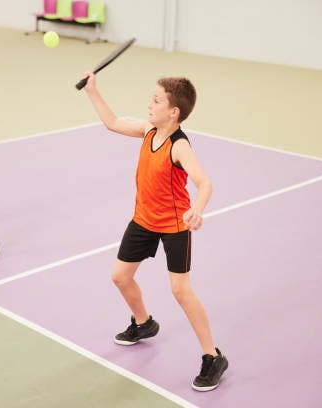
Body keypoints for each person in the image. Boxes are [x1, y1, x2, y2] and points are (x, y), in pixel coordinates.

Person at [81, 73, 228, 391]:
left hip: (175, 225)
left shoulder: (179, 146)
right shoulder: (148, 130)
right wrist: (93, 91)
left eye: (157, 100)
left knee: (180, 290)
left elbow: (205, 183)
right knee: (120, 276)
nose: (149, 104)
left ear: (173, 111)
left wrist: (197, 209)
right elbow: (113, 122)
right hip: (143, 220)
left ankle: (213, 356)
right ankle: (144, 323)